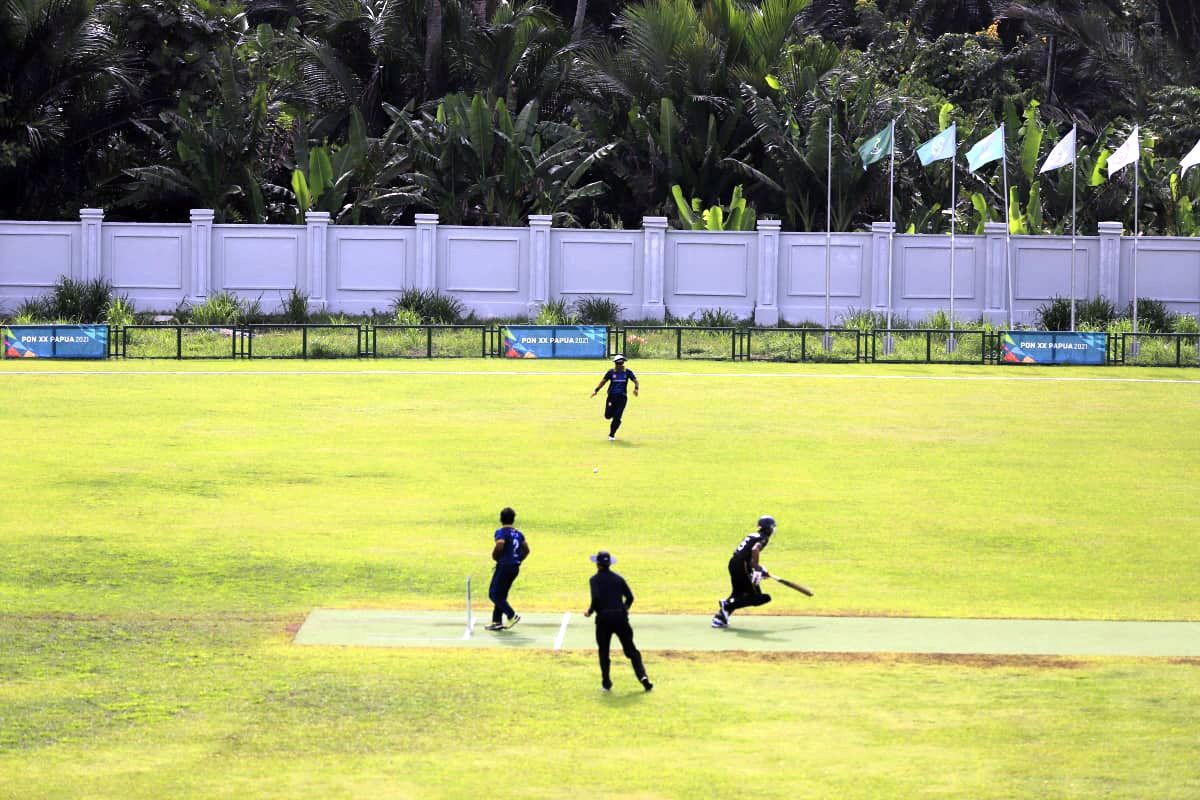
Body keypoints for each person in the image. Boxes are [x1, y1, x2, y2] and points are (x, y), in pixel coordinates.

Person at [584, 551, 652, 692]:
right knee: (631, 650)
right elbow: (630, 597)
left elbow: (595, 599)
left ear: (597, 564)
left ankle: (606, 683)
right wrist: (625, 609)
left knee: (604, 652)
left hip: (603, 620)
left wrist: (590, 611)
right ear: (610, 564)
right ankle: (643, 677)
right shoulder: (618, 579)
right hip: (620, 618)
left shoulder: (594, 580)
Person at [712, 515, 776, 628]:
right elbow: (755, 549)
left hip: (733, 563)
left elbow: (747, 555)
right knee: (761, 598)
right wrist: (756, 568)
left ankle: (719, 619)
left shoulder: (753, 535)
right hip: (742, 566)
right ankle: (726, 605)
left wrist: (760, 570)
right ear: (769, 528)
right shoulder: (764, 537)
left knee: (738, 594)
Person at [486, 507, 529, 631]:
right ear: (513, 519)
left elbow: (500, 543)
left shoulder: (501, 532)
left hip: (504, 566)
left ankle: (511, 615)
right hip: (514, 567)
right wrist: (518, 559)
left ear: (501, 519)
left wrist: (495, 556)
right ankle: (496, 622)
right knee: (501, 595)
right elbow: (526, 549)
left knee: (493, 594)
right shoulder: (519, 534)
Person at [590, 354, 639, 440]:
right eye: (617, 364)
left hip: (622, 398)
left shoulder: (627, 372)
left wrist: (636, 389)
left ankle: (612, 434)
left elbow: (636, 381)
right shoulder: (611, 372)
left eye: (621, 364)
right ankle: (615, 417)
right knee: (607, 416)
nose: (619, 366)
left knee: (617, 417)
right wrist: (596, 390)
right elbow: (603, 382)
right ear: (615, 364)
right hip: (611, 397)